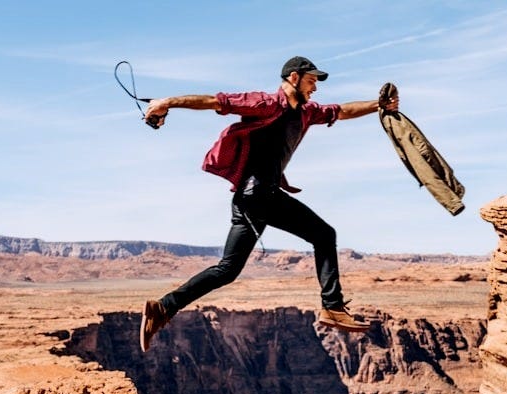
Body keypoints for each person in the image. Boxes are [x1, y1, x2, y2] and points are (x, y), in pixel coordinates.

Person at [140, 56, 399, 352]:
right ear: (293, 78)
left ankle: (162, 308)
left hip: (252, 200)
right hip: (258, 195)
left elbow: (341, 111)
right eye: (311, 80)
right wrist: (166, 102)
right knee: (324, 235)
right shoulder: (265, 104)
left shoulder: (305, 112)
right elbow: (215, 101)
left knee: (227, 269)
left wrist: (378, 106)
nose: (315, 88)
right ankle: (333, 306)